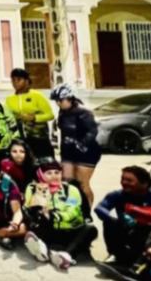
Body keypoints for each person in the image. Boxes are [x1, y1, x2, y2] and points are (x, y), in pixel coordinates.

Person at [22, 159, 98, 270]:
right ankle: (42, 251)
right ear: (40, 174)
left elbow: (73, 211)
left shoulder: (71, 189)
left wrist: (54, 215)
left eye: (57, 172)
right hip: (48, 229)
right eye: (49, 173)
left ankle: (65, 255)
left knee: (90, 229)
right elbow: (28, 207)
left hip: (69, 230)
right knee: (39, 219)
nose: (54, 176)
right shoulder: (32, 188)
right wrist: (39, 196)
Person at [51, 83, 100, 211]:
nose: (58, 103)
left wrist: (81, 143)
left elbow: (92, 132)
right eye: (56, 101)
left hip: (87, 151)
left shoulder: (84, 112)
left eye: (60, 100)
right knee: (67, 182)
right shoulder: (62, 113)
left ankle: (87, 210)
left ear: (70, 98)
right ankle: (72, 208)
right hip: (68, 150)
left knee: (82, 183)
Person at [95, 166, 151, 269]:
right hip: (126, 232)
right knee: (109, 223)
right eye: (123, 179)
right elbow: (99, 208)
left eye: (129, 180)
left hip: (147, 238)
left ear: (144, 184)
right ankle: (116, 256)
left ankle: (142, 262)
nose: (124, 182)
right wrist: (113, 218)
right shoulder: (117, 195)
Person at [6, 68, 54, 158]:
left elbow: (50, 115)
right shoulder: (9, 99)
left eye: (19, 80)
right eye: (13, 80)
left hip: (39, 138)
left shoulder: (37, 95)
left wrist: (34, 118)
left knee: (43, 164)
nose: (15, 83)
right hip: (20, 140)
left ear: (27, 81)